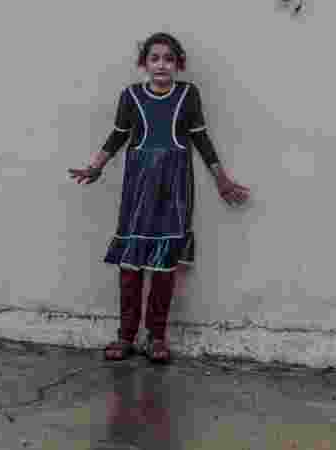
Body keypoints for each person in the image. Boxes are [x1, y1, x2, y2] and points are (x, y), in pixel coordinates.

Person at [69, 33, 250, 364]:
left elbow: (200, 138)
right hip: (137, 191)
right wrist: (96, 166)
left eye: (168, 58)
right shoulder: (131, 97)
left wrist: (221, 178)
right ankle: (125, 336)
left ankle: (156, 337)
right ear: (144, 64)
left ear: (178, 64)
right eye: (155, 58)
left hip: (174, 191)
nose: (161, 64)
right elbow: (118, 136)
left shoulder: (187, 95)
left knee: (164, 268)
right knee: (130, 267)